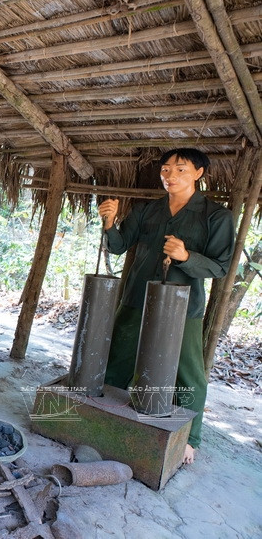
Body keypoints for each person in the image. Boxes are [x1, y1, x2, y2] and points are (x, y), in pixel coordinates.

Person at [98, 148, 235, 465]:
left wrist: (187, 257)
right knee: (118, 358)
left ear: (199, 174)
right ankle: (106, 416)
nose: (170, 176)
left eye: (181, 169)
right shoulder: (148, 211)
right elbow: (118, 247)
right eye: (166, 170)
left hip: (182, 306)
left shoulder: (216, 216)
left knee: (188, 373)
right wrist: (109, 224)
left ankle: (190, 438)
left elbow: (220, 268)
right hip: (136, 297)